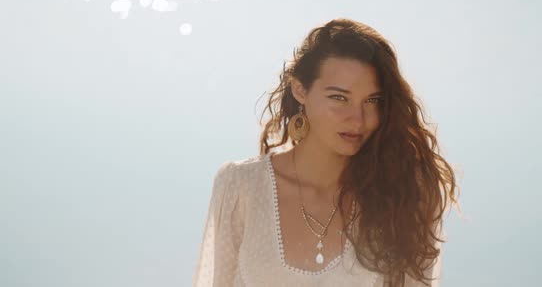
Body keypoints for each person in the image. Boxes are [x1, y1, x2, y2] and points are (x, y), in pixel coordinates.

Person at [192, 18, 459, 287]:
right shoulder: (240, 185)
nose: (357, 119)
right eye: (339, 98)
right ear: (300, 90)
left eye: (372, 101)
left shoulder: (406, 194)